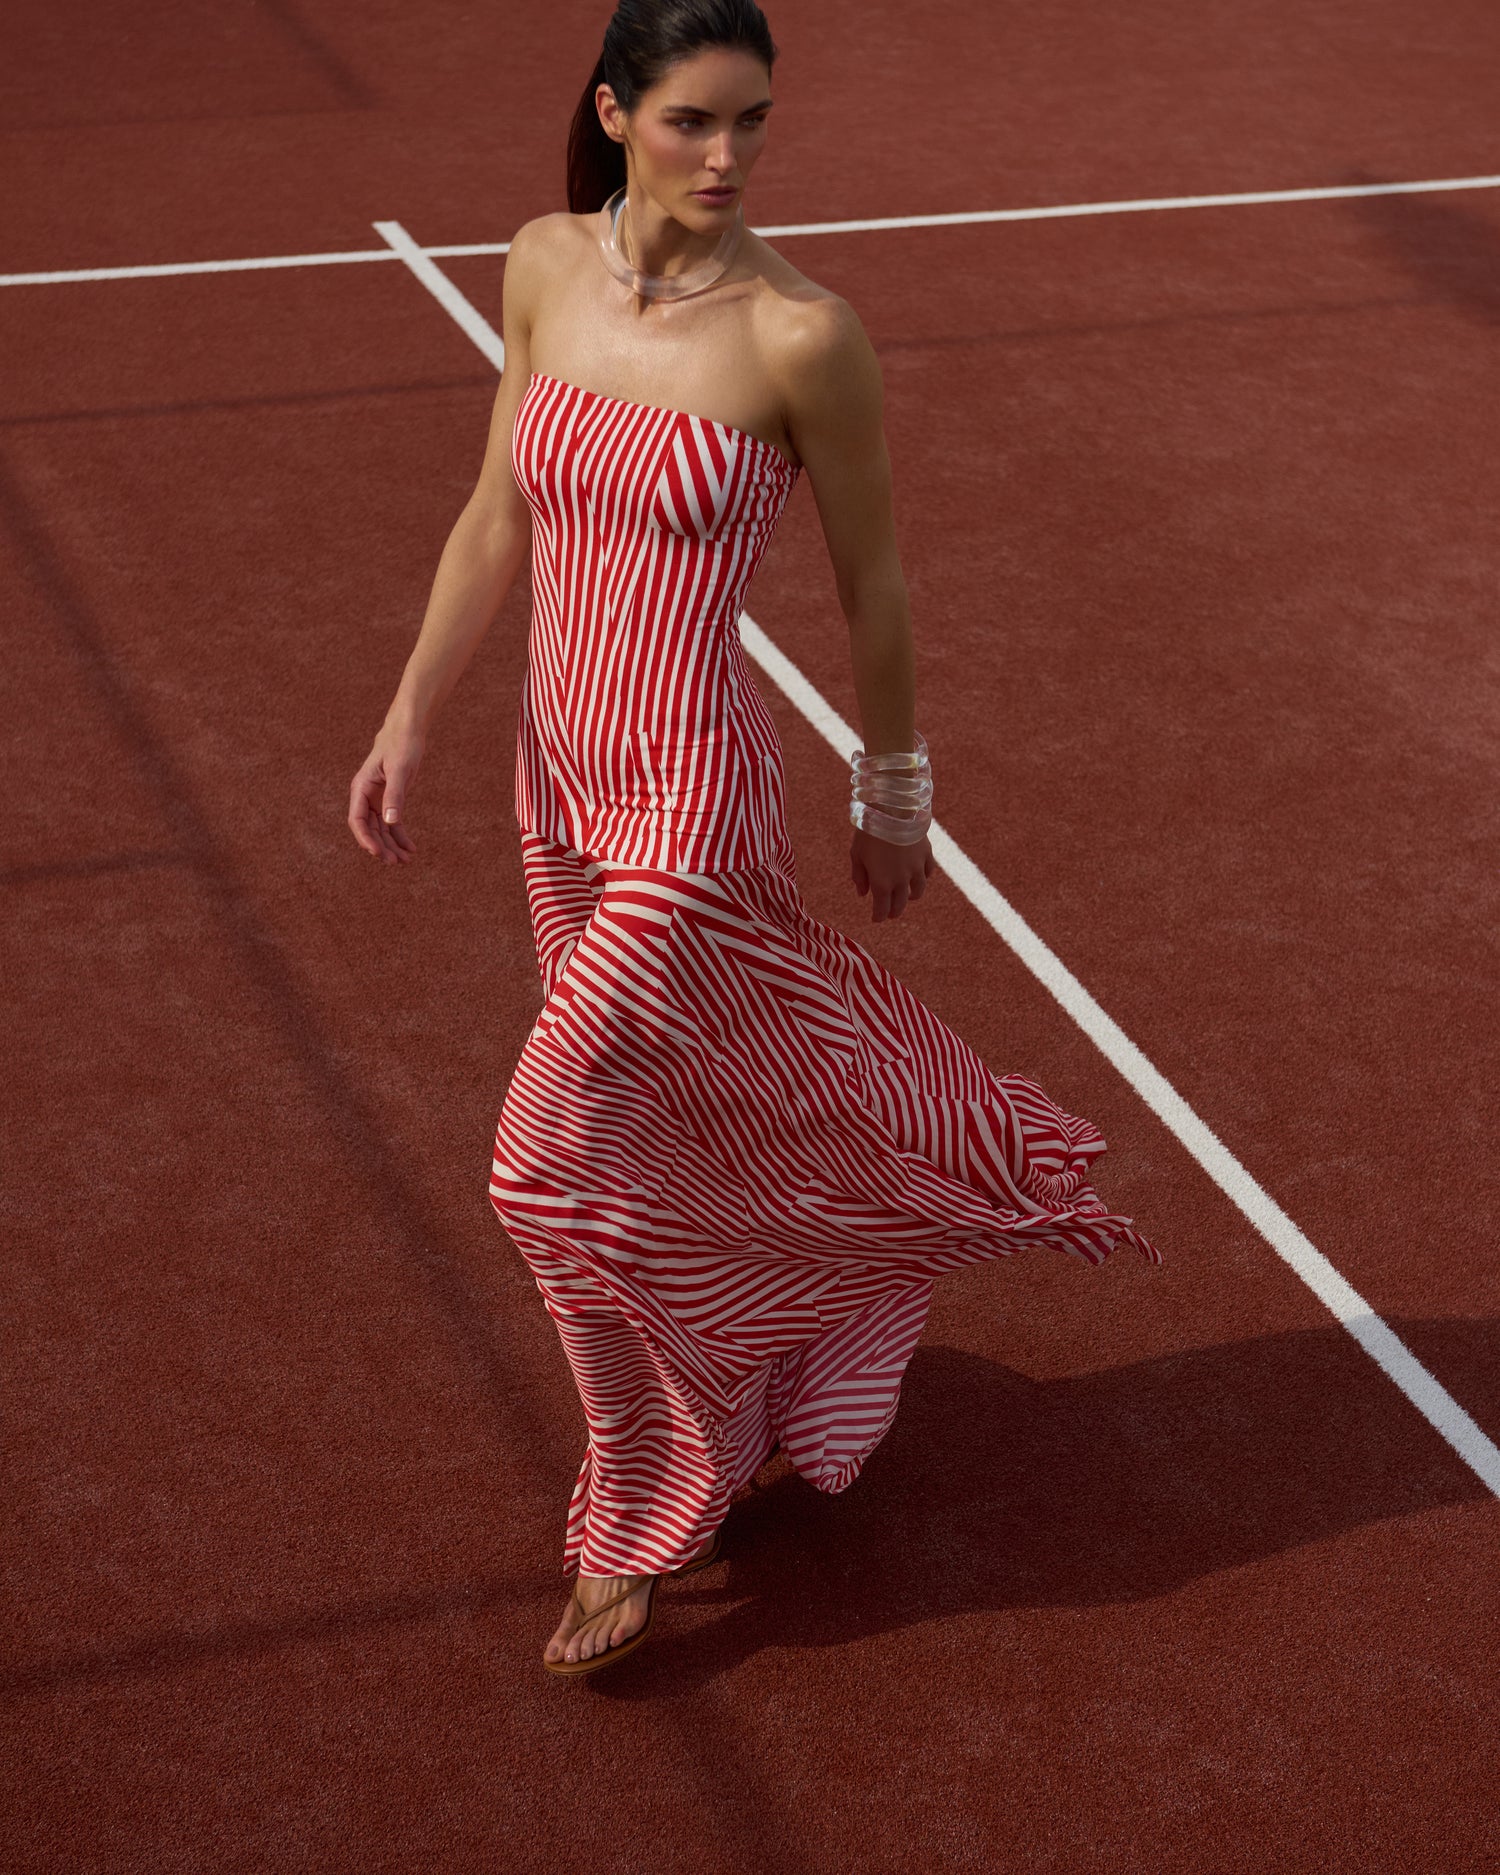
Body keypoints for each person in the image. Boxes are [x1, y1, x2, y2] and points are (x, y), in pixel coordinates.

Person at [348, 0, 1162, 1679]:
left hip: (692, 809)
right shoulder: (542, 266)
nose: (729, 158)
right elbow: (498, 504)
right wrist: (411, 711)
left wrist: (894, 790)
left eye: (756, 124)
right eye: (694, 123)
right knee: (651, 1139)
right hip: (555, 783)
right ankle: (771, 1342)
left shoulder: (803, 337)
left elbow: (875, 582)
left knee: (538, 1167)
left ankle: (646, 1492)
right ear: (614, 113)